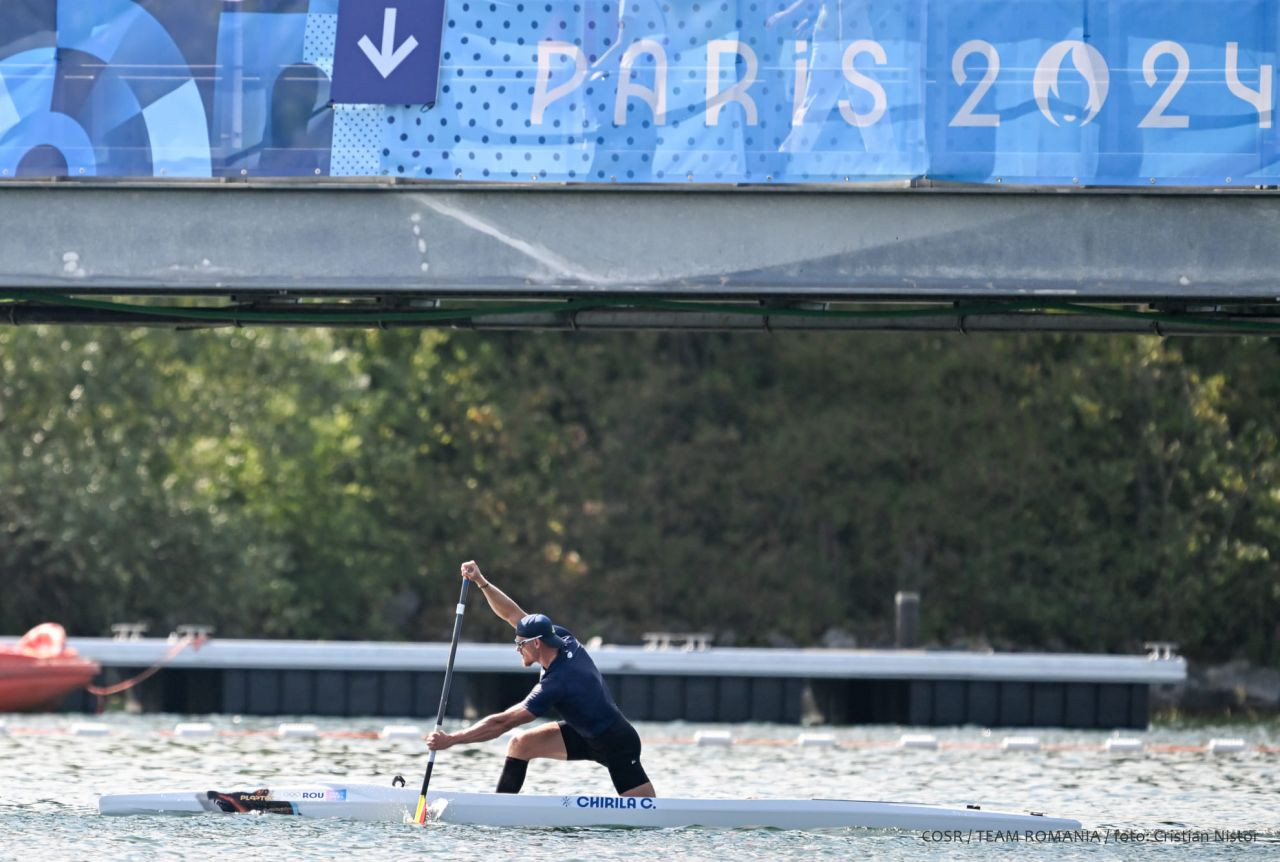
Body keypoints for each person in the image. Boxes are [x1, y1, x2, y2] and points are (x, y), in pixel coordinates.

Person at [426, 560, 656, 797]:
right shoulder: (560, 637)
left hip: (616, 744)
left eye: (519, 644)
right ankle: (501, 808)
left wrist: (451, 740)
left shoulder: (556, 683)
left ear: (535, 643)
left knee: (648, 816)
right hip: (582, 733)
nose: (516, 648)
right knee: (521, 744)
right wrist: (481, 582)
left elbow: (502, 723)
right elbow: (512, 614)